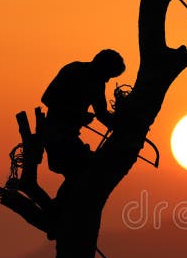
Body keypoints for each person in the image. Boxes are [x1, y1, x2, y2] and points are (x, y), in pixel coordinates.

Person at [41, 49, 126, 177]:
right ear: (101, 66)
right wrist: (77, 116)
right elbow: (47, 98)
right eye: (108, 74)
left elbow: (101, 113)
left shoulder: (98, 84)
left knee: (83, 174)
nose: (108, 80)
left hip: (71, 137)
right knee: (87, 170)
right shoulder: (73, 70)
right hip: (56, 136)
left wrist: (121, 125)